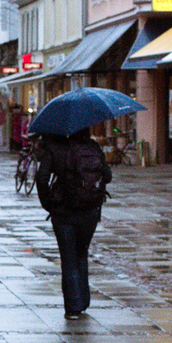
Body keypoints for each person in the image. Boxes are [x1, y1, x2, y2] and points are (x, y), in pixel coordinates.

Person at [36, 128, 112, 319]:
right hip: (89, 211)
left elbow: (42, 178)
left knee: (68, 256)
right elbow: (108, 175)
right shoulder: (92, 147)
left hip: (63, 212)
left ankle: (73, 306)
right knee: (81, 253)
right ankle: (83, 300)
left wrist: (48, 204)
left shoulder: (55, 149)